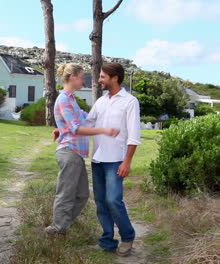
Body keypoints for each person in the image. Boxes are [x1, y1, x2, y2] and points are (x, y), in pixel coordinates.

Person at [45, 64, 119, 235]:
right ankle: (57, 228)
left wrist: (60, 129)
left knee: (82, 195)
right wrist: (104, 131)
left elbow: (85, 119)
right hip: (69, 152)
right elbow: (76, 128)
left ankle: (63, 225)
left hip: (76, 154)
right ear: (72, 77)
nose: (83, 79)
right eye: (81, 76)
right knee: (66, 193)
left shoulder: (72, 100)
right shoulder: (64, 99)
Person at [86, 62, 141, 256]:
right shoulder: (101, 101)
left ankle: (127, 237)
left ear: (114, 77)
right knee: (101, 201)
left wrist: (127, 162)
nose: (99, 80)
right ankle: (107, 241)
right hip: (97, 159)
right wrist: (65, 128)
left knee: (113, 200)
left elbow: (134, 135)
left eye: (102, 77)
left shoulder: (130, 101)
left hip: (116, 160)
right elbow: (88, 122)